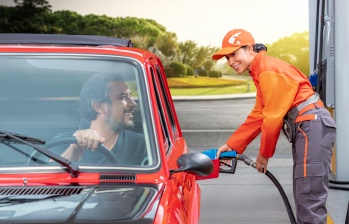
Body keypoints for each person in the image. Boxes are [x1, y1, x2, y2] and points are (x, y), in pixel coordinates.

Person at [213, 29, 337, 224]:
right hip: (308, 127)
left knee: (309, 198)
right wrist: (233, 145)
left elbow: (272, 118)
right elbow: (258, 115)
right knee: (305, 195)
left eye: (234, 54)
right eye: (227, 57)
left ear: (249, 49)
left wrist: (264, 154)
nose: (230, 61)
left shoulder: (267, 70)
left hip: (312, 124)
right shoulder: (260, 71)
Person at [53, 73, 147, 165]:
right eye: (122, 97)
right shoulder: (64, 142)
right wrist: (76, 148)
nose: (133, 103)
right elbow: (49, 177)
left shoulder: (143, 145)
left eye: (130, 96)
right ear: (98, 107)